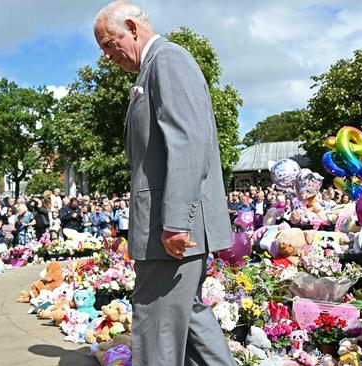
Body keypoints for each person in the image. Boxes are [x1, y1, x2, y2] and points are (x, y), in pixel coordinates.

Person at [94, 2, 234, 365]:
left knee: (156, 329)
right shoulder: (151, 70)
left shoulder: (167, 61)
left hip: (168, 230)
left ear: (132, 27)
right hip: (166, 228)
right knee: (189, 321)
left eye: (110, 43)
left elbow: (188, 144)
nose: (108, 56)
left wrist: (175, 223)